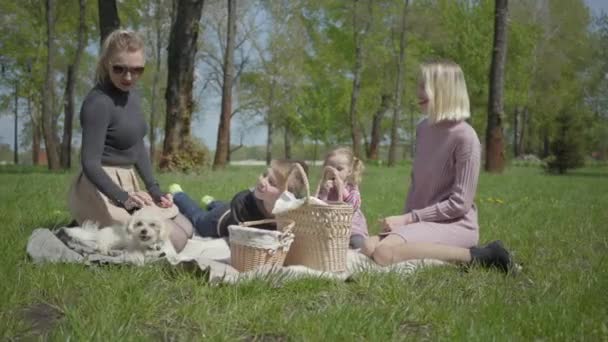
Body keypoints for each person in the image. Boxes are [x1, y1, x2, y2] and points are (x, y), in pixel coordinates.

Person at [361, 59, 513, 272]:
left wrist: (407, 219)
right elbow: (417, 186)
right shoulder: (423, 129)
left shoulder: (465, 137)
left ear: (446, 91)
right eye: (419, 85)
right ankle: (422, 247)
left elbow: (460, 204)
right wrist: (406, 225)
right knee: (368, 246)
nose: (418, 92)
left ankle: (484, 255)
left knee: (383, 253)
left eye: (425, 86)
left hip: (455, 225)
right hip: (421, 223)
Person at [68, 29, 193, 252]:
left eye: (137, 70)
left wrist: (154, 189)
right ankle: (86, 225)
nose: (128, 77)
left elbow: (136, 145)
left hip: (128, 182)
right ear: (106, 63)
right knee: (178, 240)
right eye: (120, 69)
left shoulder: (133, 96)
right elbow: (90, 164)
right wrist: (123, 199)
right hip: (100, 187)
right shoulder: (98, 103)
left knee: (186, 228)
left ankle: (93, 230)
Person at [168, 160, 308, 238]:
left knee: (219, 205)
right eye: (264, 174)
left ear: (287, 194)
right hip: (220, 221)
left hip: (228, 210)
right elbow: (241, 237)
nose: (262, 181)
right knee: (198, 218)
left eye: (272, 182)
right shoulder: (243, 201)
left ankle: (212, 202)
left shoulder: (292, 210)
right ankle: (179, 195)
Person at [316, 147, 368, 249]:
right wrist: (325, 193)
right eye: (330, 168)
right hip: (331, 229)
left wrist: (342, 190)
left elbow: (353, 205)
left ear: (349, 171)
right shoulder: (325, 187)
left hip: (352, 229)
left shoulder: (351, 187)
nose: (334, 172)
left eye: (339, 169)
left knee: (358, 243)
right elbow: (318, 206)